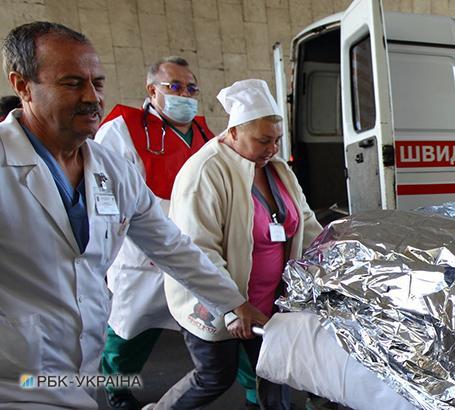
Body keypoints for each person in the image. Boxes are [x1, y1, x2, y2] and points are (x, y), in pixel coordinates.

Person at [0, 21, 266, 409]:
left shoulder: (109, 167)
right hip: (15, 379)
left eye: (98, 83)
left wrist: (233, 301)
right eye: (72, 83)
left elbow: (171, 245)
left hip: (78, 365)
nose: (92, 97)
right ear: (23, 85)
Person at [152, 79, 323, 409]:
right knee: (215, 376)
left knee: (275, 371)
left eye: (276, 140)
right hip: (216, 300)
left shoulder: (276, 169)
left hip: (270, 301)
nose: (272, 148)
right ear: (232, 133)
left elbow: (306, 221)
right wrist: (232, 304)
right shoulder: (205, 171)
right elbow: (197, 249)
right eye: (262, 140)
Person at [94, 56, 214, 409]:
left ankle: (253, 392)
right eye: (174, 87)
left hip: (193, 249)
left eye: (191, 88)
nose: (185, 94)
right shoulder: (120, 130)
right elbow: (109, 194)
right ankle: (117, 388)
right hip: (141, 252)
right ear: (151, 90)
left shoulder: (207, 134)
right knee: (131, 328)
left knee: (218, 325)